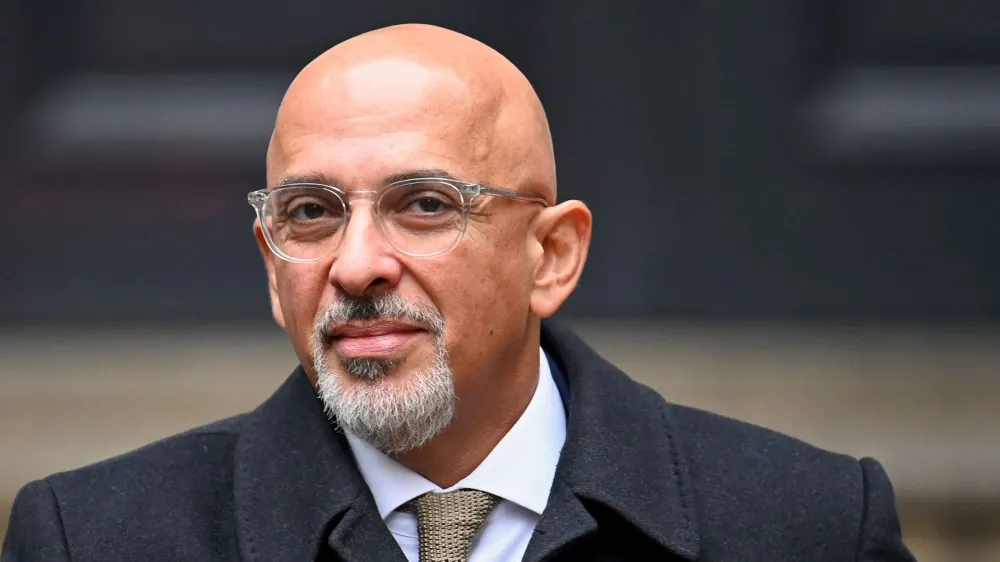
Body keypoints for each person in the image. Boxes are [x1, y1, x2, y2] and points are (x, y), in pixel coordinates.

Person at [2, 23, 915, 562]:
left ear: (551, 256)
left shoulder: (807, 527)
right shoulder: (95, 539)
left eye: (425, 205)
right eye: (312, 212)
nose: (356, 266)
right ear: (272, 269)